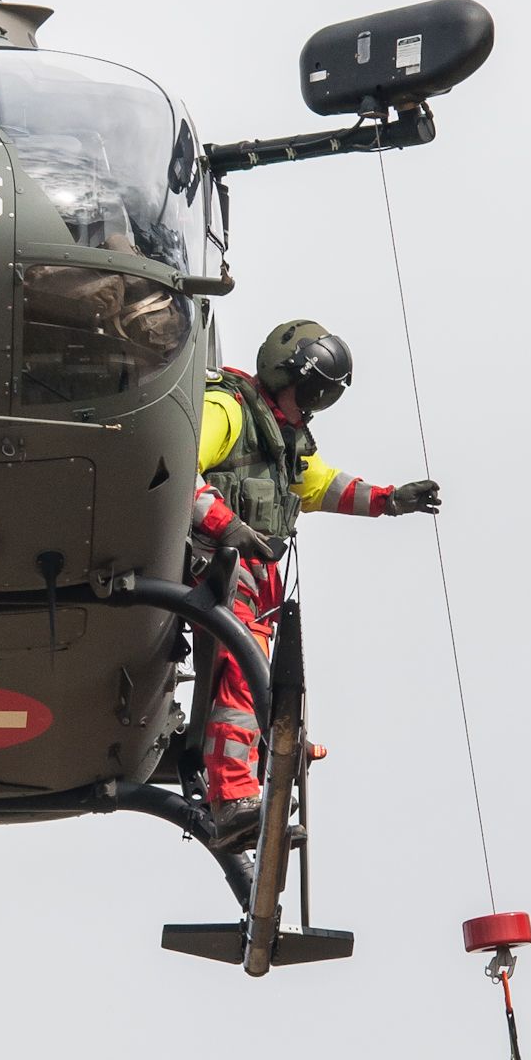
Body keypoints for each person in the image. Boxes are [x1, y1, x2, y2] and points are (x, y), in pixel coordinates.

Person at [191, 319, 442, 846]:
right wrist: (224, 523)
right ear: (281, 374)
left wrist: (387, 500)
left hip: (257, 582)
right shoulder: (228, 410)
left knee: (256, 680)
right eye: (309, 392)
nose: (311, 406)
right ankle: (234, 798)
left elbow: (321, 485)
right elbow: (175, 467)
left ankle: (253, 778)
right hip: (214, 567)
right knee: (241, 676)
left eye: (322, 399)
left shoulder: (286, 442)